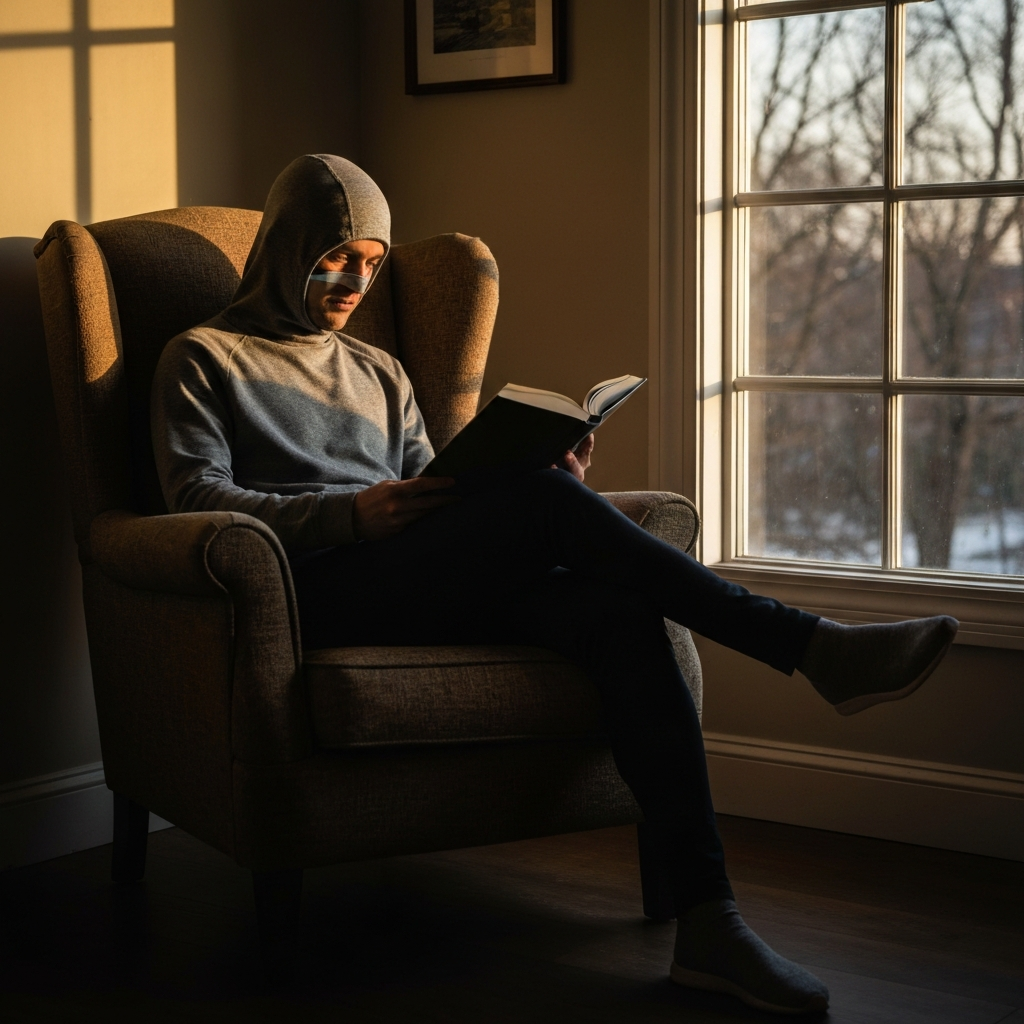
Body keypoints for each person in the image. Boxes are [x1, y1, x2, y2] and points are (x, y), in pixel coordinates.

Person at [152, 155, 958, 1015]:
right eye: (335, 256)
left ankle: (708, 922)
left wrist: (548, 475)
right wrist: (353, 515)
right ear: (284, 249)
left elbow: (437, 484)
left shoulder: (381, 372)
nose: (355, 278)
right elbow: (194, 498)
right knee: (540, 505)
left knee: (617, 612)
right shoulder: (203, 357)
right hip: (315, 590)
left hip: (419, 578)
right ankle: (805, 646)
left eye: (372, 261)